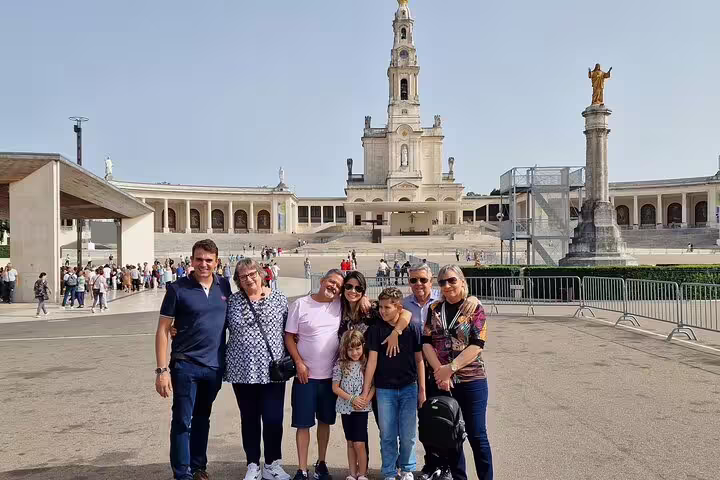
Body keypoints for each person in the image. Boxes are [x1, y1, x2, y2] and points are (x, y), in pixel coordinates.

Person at [155, 239, 232, 480]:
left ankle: (198, 466)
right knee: (182, 420)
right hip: (185, 364)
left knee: (202, 419)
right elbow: (163, 330)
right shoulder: (177, 289)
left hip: (214, 366)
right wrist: (162, 370)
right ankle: (182, 473)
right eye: (199, 259)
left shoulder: (225, 287)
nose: (203, 264)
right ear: (192, 260)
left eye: (209, 260)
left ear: (217, 262)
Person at [422, 265, 493, 480]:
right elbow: (426, 343)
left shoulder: (474, 308)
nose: (447, 285)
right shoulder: (434, 308)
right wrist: (440, 372)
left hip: (472, 380)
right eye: (442, 282)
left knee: (477, 435)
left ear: (462, 281)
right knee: (450, 436)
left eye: (452, 280)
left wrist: (450, 369)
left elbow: (477, 344)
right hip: (443, 381)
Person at [225, 258, 292, 480]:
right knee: (249, 418)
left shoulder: (280, 299)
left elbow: (291, 333)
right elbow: (213, 323)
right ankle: (253, 464)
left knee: (273, 419)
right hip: (241, 370)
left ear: (262, 273)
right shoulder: (233, 302)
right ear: (238, 281)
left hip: (273, 370)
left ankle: (273, 464)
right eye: (243, 276)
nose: (248, 278)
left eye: (252, 273)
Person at [285, 269, 345, 480]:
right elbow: (289, 337)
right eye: (331, 282)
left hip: (330, 377)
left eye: (338, 285)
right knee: (303, 424)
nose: (334, 287)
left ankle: (321, 462)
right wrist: (299, 363)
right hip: (305, 377)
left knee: (325, 422)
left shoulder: (339, 305)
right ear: (321, 281)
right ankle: (302, 468)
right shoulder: (301, 304)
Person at [362, 287, 425, 480]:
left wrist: (422, 390)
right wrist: (366, 391)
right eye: (380, 307)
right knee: (387, 434)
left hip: (409, 387)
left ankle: (407, 469)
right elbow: (371, 361)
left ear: (399, 307)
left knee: (408, 434)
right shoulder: (375, 330)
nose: (382, 311)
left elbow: (419, 360)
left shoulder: (412, 328)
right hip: (384, 389)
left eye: (387, 307)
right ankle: (389, 471)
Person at [332, 330, 373, 480]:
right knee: (350, 442)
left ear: (363, 346)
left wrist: (366, 399)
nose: (354, 353)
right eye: (350, 349)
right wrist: (351, 399)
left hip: (361, 409)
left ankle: (362, 474)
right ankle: (352, 473)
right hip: (346, 408)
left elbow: (373, 385)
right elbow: (335, 387)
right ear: (345, 349)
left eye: (357, 348)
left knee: (359, 443)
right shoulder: (340, 365)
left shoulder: (366, 363)